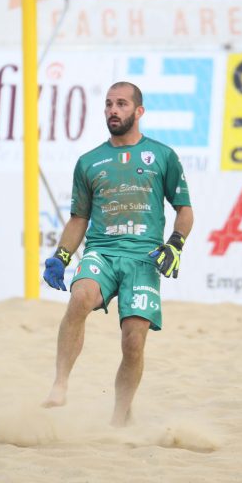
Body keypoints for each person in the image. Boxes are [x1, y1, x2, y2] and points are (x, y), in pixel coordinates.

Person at [41, 81, 194, 427]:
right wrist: (61, 256)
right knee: (81, 296)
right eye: (109, 104)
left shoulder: (163, 156)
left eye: (122, 104)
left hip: (144, 258)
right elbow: (78, 219)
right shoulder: (89, 162)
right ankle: (60, 385)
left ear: (139, 111)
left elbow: (185, 211)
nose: (113, 110)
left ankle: (119, 418)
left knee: (133, 342)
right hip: (103, 252)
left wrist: (175, 244)